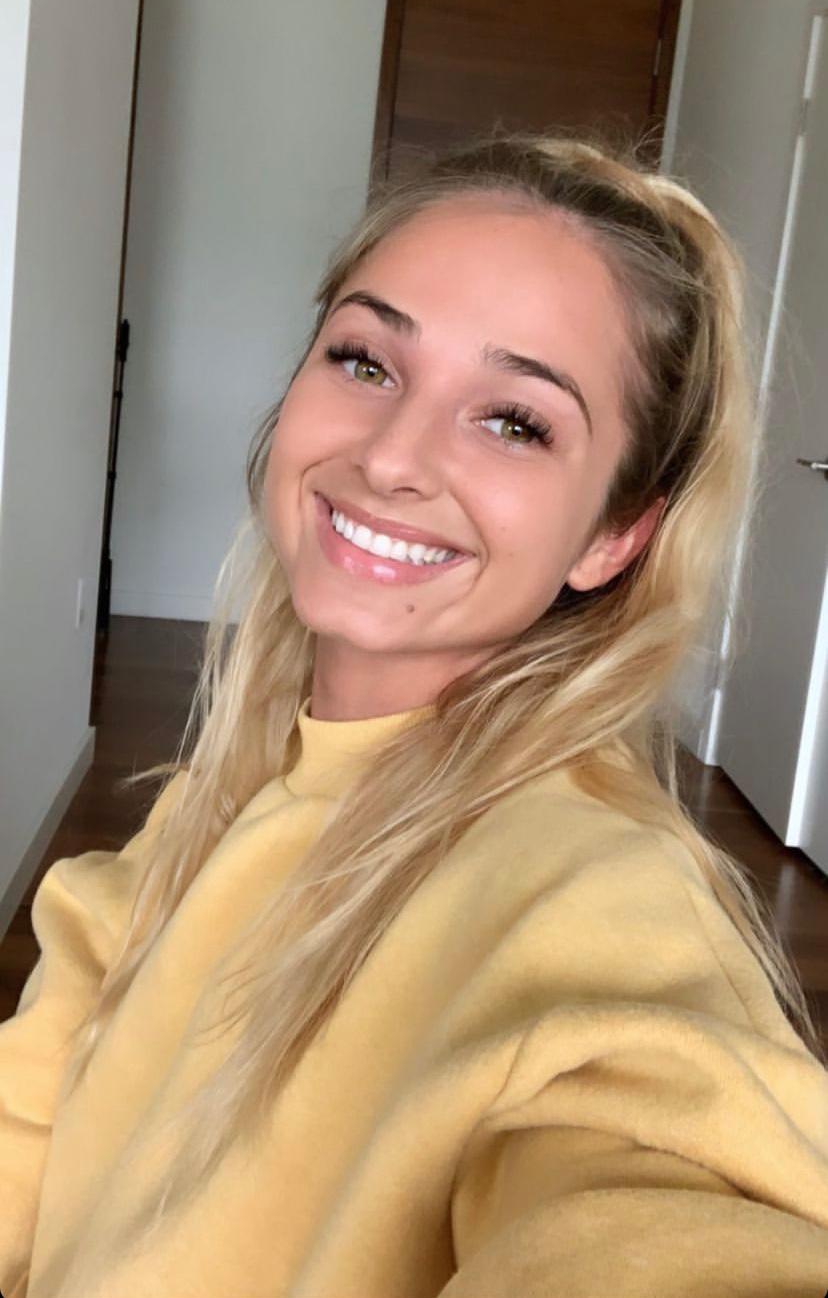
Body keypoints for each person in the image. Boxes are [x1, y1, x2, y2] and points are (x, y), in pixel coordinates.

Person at [1, 130, 827, 1298]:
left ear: (613, 535)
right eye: (366, 361)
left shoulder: (605, 905)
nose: (393, 456)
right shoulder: (225, 794)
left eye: (515, 421)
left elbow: (658, 1195)